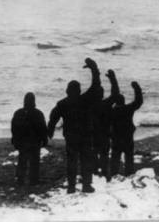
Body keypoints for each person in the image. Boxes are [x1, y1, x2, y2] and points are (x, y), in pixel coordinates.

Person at [47, 58, 100, 193]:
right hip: (86, 135)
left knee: (72, 161)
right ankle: (86, 185)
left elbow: (53, 118)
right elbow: (96, 85)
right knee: (86, 161)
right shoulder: (85, 99)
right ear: (78, 90)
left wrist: (50, 131)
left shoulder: (62, 103)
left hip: (71, 136)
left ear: (67, 90)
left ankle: (71, 187)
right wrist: (94, 69)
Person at [107, 70, 143, 179]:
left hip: (116, 137)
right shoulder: (128, 109)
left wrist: (112, 79)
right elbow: (138, 101)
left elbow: (114, 94)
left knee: (115, 156)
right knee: (129, 156)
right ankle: (129, 174)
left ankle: (114, 174)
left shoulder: (111, 111)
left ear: (115, 102)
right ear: (123, 101)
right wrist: (137, 88)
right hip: (127, 136)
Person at [10, 92, 48, 186]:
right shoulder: (38, 113)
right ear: (34, 101)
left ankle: (20, 179)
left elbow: (14, 128)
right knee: (34, 161)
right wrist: (44, 139)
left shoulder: (18, 113)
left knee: (22, 160)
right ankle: (33, 180)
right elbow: (42, 128)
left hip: (22, 142)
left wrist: (15, 139)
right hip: (34, 141)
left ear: (24, 101)